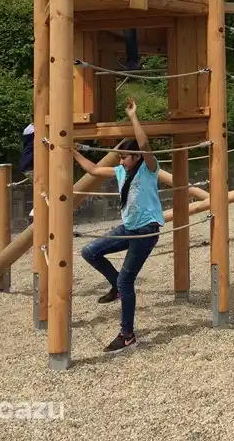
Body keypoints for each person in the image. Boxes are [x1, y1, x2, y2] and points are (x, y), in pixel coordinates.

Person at [72, 97, 169, 353]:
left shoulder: (148, 168)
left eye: (124, 157)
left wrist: (133, 117)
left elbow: (145, 144)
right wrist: (71, 151)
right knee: (89, 252)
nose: (121, 161)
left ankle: (127, 334)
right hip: (128, 229)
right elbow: (93, 171)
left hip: (145, 232)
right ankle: (115, 285)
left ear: (135, 157)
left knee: (128, 282)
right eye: (121, 157)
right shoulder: (120, 172)